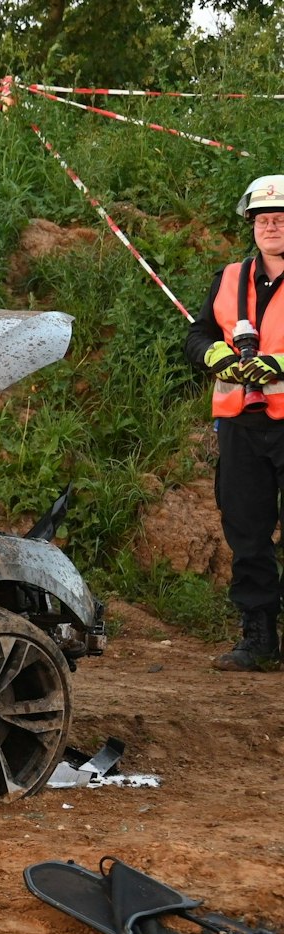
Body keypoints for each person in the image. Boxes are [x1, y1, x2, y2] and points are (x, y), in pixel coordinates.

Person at [186, 174, 284, 671]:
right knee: (246, 533)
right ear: (252, 224)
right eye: (264, 218)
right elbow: (197, 336)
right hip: (242, 429)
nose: (272, 225)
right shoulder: (229, 278)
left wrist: (281, 363)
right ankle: (259, 637)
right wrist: (215, 355)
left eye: (281, 218)